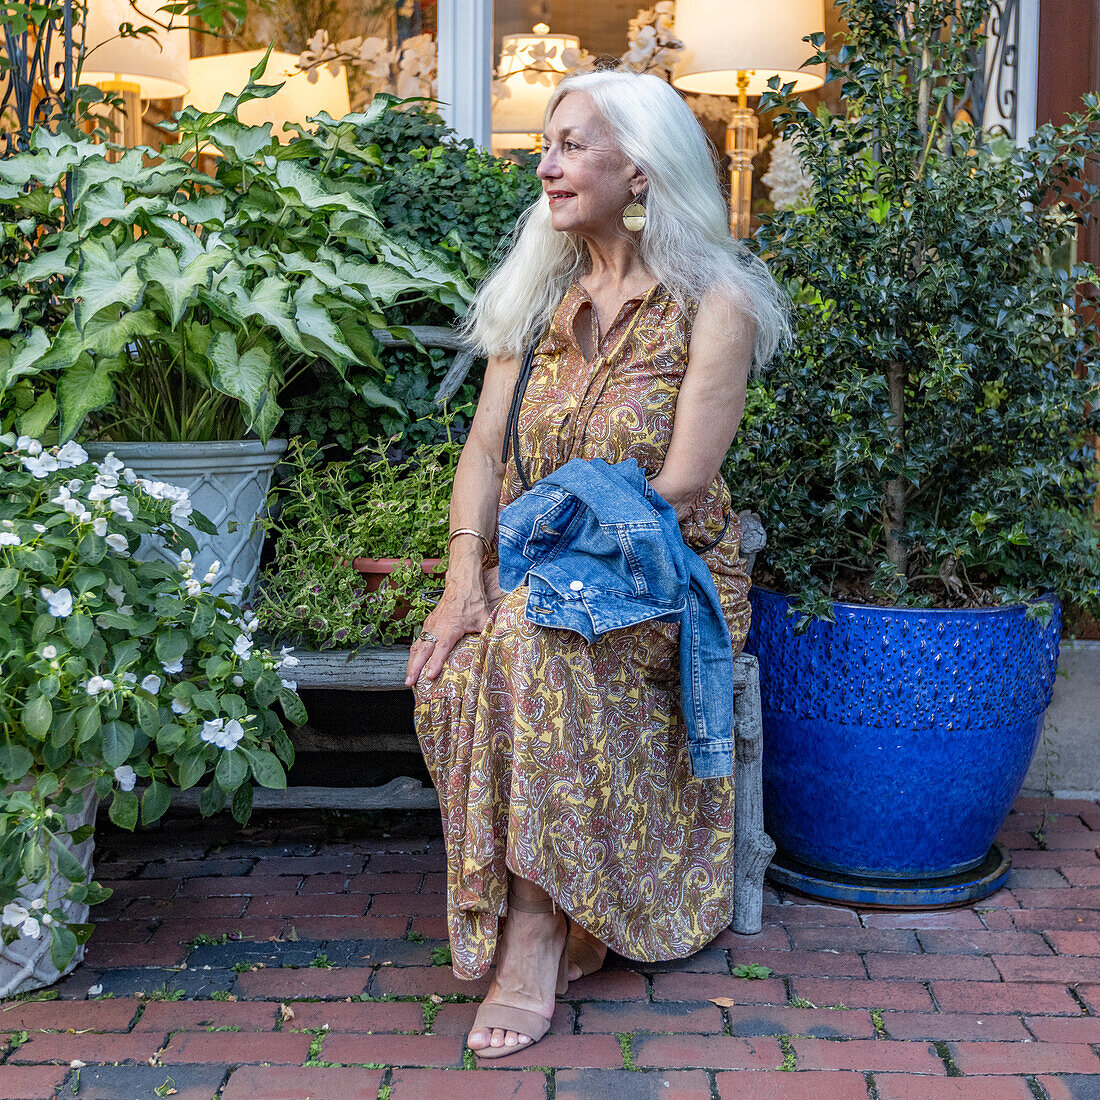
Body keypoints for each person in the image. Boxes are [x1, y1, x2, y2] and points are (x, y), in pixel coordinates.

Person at [404, 67, 789, 1060]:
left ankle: (534, 932)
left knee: (530, 640)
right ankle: (567, 900)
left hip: (665, 581)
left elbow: (680, 488)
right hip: (542, 575)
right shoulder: (536, 303)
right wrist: (461, 586)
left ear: (641, 169)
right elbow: (484, 455)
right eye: (546, 141)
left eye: (573, 143)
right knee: (449, 666)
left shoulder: (714, 302)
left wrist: (526, 585)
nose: (547, 162)